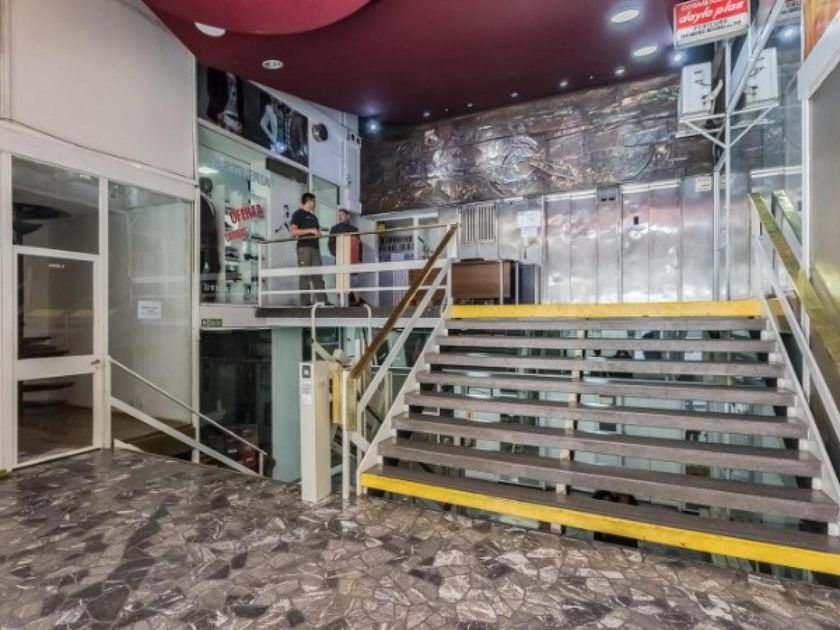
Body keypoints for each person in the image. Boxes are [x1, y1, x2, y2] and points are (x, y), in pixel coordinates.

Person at [290, 192, 328, 306]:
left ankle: (322, 301)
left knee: (318, 275)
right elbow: (293, 231)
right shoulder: (298, 214)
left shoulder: (314, 217)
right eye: (314, 201)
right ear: (309, 201)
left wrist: (318, 234)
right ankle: (305, 303)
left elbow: (318, 233)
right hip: (304, 248)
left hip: (315, 248)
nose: (315, 203)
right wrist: (310, 230)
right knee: (305, 274)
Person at [329, 209, 364, 306]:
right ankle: (343, 302)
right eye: (339, 215)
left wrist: (359, 259)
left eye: (342, 215)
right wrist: (337, 254)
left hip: (352, 258)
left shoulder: (354, 229)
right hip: (341, 259)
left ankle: (357, 301)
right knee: (341, 279)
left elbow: (359, 245)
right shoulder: (334, 229)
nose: (340, 217)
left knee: (354, 279)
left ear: (348, 216)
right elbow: (331, 244)